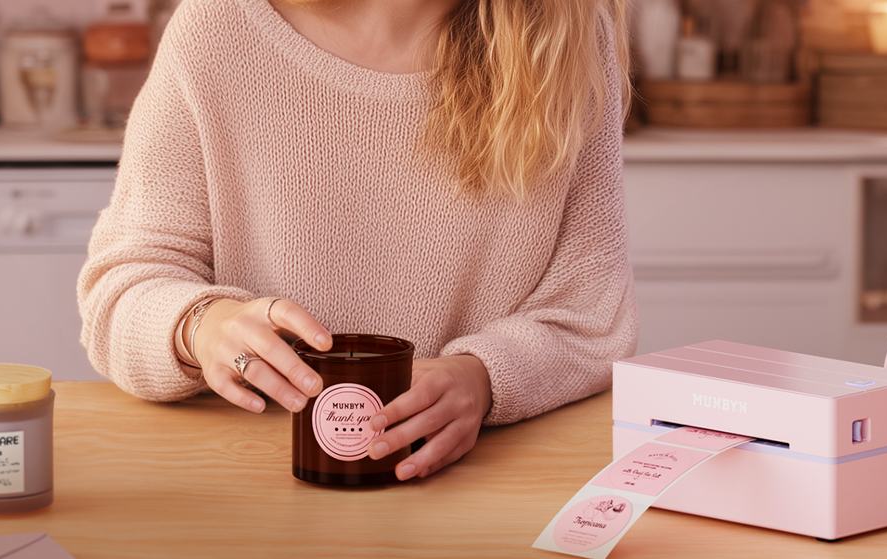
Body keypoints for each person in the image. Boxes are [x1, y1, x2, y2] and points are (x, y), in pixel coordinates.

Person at [77, 0, 637, 482]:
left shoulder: (565, 44)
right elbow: (121, 292)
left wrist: (483, 376)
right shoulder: (217, 29)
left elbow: (590, 316)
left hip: (469, 480)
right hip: (242, 485)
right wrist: (202, 324)